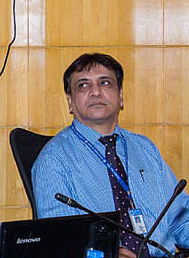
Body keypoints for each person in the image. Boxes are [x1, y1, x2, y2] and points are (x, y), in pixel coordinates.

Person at [32, 53, 189, 258]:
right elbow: (61, 241)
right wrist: (110, 254)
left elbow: (181, 218)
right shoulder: (54, 159)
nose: (96, 92)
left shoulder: (145, 148)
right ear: (70, 102)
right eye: (83, 85)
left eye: (105, 83)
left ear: (120, 96)